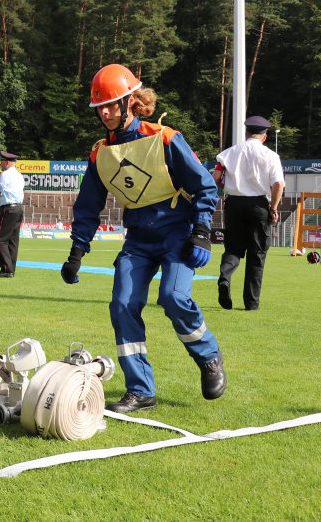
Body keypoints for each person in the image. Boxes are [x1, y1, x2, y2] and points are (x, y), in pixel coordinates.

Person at [61, 64, 226, 413]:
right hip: (138, 240)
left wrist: (201, 232)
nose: (104, 112)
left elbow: (204, 186)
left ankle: (209, 356)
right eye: (99, 107)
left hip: (176, 235)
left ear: (130, 102)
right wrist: (77, 251)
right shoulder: (100, 153)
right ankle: (140, 390)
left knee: (172, 297)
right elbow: (88, 206)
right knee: (122, 305)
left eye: (110, 105)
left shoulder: (164, 138)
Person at [213, 115, 285, 311]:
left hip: (234, 203)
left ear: (246, 133)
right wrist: (274, 208)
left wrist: (223, 189)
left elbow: (216, 175)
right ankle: (251, 303)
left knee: (233, 249)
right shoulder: (270, 155)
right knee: (257, 254)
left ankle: (225, 277)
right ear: (265, 136)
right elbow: (278, 183)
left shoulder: (230, 152)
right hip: (259, 205)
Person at [0, 151, 25, 278]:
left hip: (7, 209)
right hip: (18, 208)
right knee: (13, 241)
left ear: (7, 162)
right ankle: (11, 269)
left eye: (1, 161)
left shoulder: (5, 175)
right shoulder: (19, 175)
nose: (0, 164)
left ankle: (6, 269)